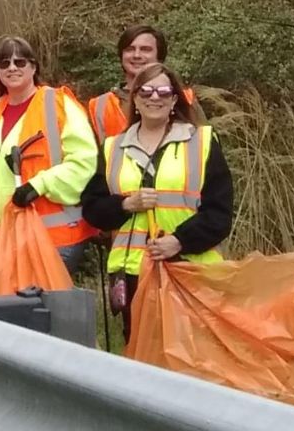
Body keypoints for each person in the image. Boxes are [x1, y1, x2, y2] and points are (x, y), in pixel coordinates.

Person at [81, 62, 232, 342]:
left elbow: (220, 213)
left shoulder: (202, 142)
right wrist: (125, 205)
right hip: (132, 273)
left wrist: (180, 240)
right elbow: (92, 208)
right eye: (146, 91)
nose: (155, 97)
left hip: (189, 269)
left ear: (175, 99)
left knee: (191, 355)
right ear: (135, 98)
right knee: (140, 359)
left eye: (163, 91)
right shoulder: (113, 147)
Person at [0, 35, 98, 274]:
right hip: (5, 238)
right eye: (4, 63)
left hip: (53, 237)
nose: (12, 67)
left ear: (33, 67)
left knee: (48, 311)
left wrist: (39, 185)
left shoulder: (58, 103)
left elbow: (84, 161)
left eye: (20, 62)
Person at [88, 25, 203, 144]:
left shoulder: (185, 99)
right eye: (130, 49)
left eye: (145, 49)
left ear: (159, 56)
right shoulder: (100, 105)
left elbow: (203, 147)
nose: (136, 55)